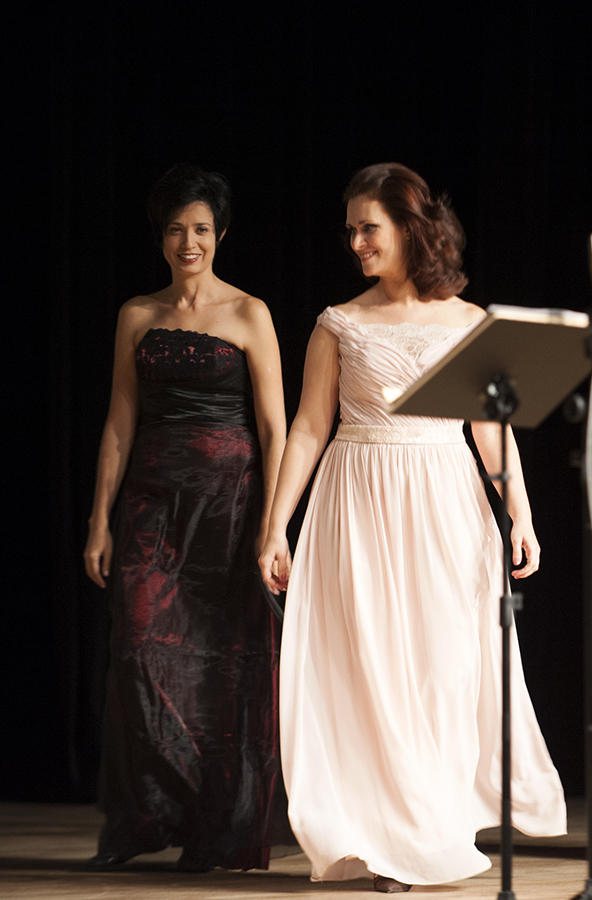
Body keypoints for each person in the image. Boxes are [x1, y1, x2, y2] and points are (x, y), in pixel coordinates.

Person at [257, 162, 566, 892]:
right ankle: (389, 840)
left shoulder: (468, 321)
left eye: (369, 227)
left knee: (443, 668)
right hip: (357, 501)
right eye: (350, 230)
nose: (356, 242)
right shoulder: (338, 322)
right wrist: (276, 527)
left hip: (445, 503)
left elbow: (493, 431)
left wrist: (520, 513)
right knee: (373, 669)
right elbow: (307, 427)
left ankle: (435, 827)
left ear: (408, 226)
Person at [82, 164, 288, 871]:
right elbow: (119, 422)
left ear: (220, 233)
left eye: (201, 228)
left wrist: (274, 524)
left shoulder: (250, 313)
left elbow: (275, 428)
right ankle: (148, 817)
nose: (188, 242)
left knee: (223, 667)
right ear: (160, 236)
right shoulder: (137, 315)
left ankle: (214, 830)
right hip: (152, 504)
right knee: (139, 649)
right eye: (176, 229)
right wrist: (99, 521)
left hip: (230, 507)